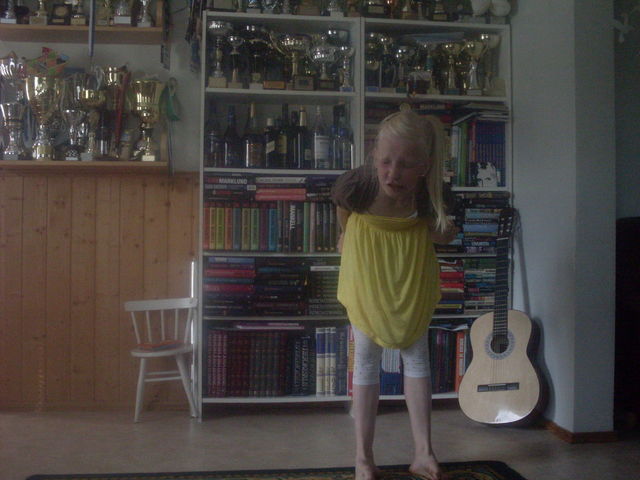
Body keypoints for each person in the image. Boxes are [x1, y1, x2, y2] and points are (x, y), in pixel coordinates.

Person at [331, 110, 457, 480]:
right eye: (386, 161)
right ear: (374, 156)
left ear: (424, 167)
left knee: (417, 357)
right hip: (367, 270)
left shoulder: (432, 193)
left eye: (406, 165)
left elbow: (445, 234)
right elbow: (343, 211)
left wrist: (434, 229)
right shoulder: (358, 185)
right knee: (366, 358)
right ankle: (363, 459)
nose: (393, 174)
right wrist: (347, 236)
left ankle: (424, 454)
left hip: (410, 273)